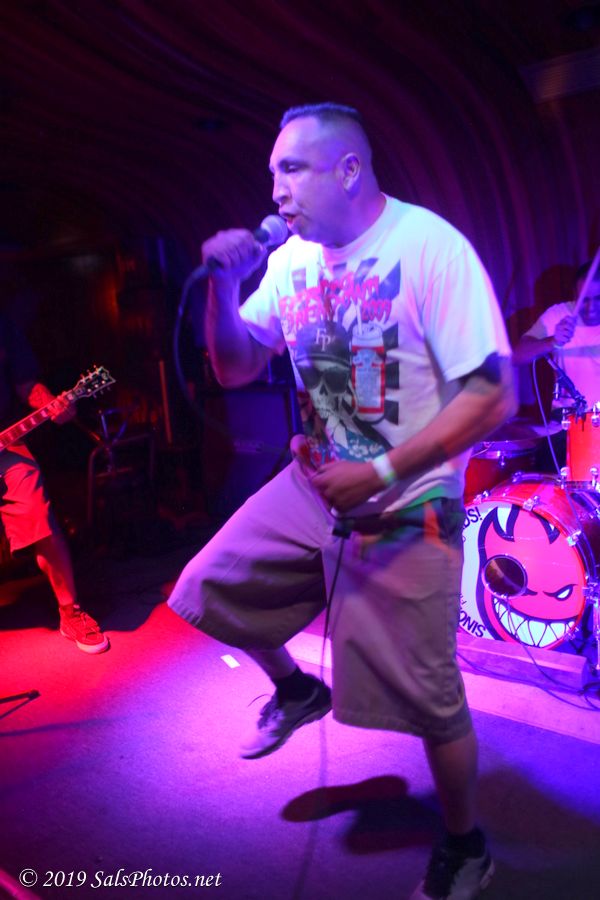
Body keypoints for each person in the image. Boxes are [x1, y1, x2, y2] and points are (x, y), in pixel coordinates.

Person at [168, 103, 515, 899]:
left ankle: (467, 847)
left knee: (431, 701)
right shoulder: (290, 261)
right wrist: (223, 283)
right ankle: (297, 689)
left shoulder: (427, 247)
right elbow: (232, 367)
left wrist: (382, 469)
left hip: (409, 499)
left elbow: (493, 395)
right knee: (206, 586)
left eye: (292, 169)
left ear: (349, 171)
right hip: (318, 485)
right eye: (272, 174)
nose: (276, 190)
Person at [0, 311, 109, 654]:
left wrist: (49, 403)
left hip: (5, 445)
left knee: (38, 514)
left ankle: (70, 612)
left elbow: (26, 384)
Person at [512, 260, 600, 470]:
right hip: (565, 420)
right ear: (574, 294)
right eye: (584, 300)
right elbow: (517, 356)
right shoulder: (558, 315)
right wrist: (552, 341)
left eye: (598, 299)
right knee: (547, 477)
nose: (590, 308)